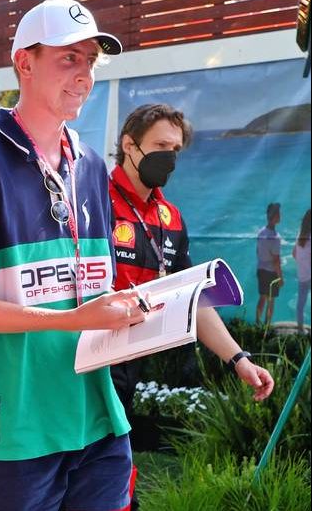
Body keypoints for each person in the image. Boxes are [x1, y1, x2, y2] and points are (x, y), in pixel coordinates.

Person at [0, 0, 149, 511]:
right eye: (69, 59)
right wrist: (72, 320)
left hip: (98, 418)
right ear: (25, 62)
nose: (84, 75)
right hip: (19, 430)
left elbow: (94, 286)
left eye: (90, 61)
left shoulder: (88, 164)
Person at [108, 105, 275, 508]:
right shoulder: (94, 201)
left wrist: (238, 359)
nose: (169, 157)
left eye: (176, 149)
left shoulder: (170, 216)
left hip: (128, 367)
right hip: (81, 364)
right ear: (129, 146)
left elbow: (192, 298)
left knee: (113, 475)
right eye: (160, 146)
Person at [256, 202, 283, 325]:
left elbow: (257, 251)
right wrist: (280, 277)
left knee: (262, 298)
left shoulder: (261, 232)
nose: (280, 215)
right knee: (271, 301)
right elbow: (276, 260)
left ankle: (257, 323)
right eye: (279, 213)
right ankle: (266, 327)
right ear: (275, 216)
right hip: (271, 272)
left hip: (261, 269)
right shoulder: (275, 237)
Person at [292, 209, 311, 333]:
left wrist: (302, 264)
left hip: (302, 274)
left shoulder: (300, 234)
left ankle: (300, 329)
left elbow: (294, 253)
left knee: (301, 303)